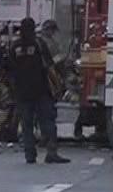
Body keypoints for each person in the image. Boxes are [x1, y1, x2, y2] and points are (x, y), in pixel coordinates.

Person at [9, 16, 69, 164]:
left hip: (22, 93)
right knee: (47, 122)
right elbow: (50, 66)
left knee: (27, 124)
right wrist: (60, 83)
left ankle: (30, 154)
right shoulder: (39, 44)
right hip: (41, 91)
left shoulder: (14, 47)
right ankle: (51, 152)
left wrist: (14, 91)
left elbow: (9, 70)